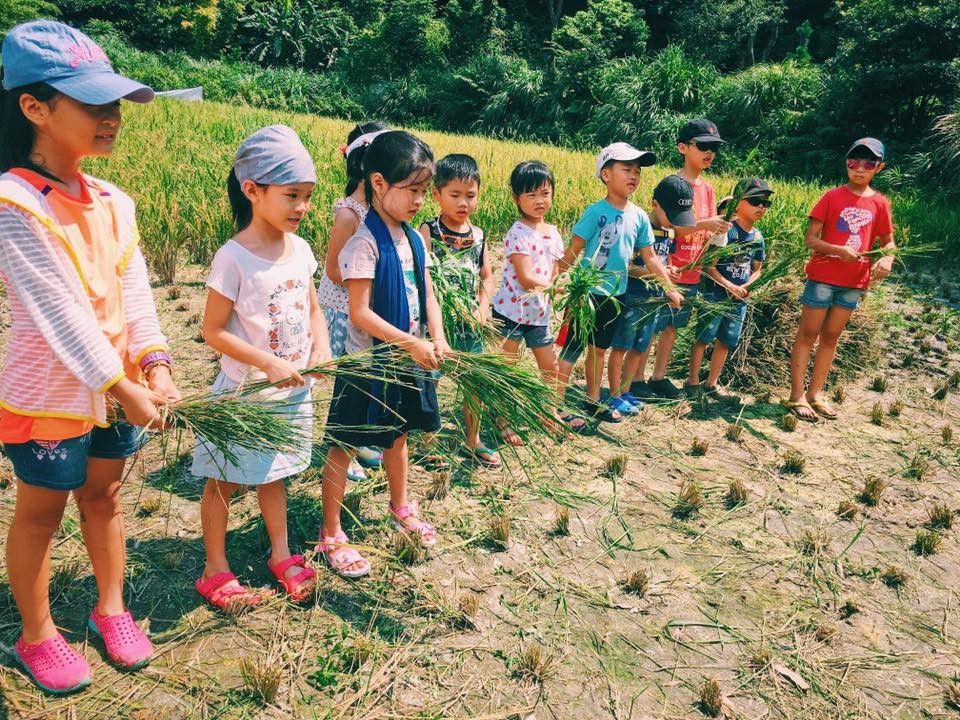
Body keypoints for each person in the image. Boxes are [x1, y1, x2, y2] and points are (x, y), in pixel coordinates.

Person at [0, 20, 181, 693]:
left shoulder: (114, 202)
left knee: (104, 497)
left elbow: (135, 296)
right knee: (42, 513)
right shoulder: (15, 201)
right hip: (51, 392)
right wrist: (123, 387)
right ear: (34, 107)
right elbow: (59, 316)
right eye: (92, 103)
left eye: (115, 103)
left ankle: (112, 609)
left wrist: (156, 365)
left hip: (121, 387)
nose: (111, 117)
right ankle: (36, 633)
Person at [192, 125, 330, 608]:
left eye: (308, 196)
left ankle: (281, 553)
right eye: (292, 195)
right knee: (224, 480)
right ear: (253, 190)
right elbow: (213, 330)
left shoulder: (302, 250)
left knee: (275, 473)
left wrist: (321, 347)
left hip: (289, 393)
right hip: (244, 396)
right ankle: (215, 568)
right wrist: (267, 361)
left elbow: (314, 310)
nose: (302, 206)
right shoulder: (234, 258)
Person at [318, 130, 449, 578]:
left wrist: (437, 336)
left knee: (398, 436)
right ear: (378, 183)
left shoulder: (414, 239)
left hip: (404, 364)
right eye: (411, 189)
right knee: (344, 444)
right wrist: (412, 342)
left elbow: (428, 294)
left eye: (424, 191)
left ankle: (400, 505)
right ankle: (331, 531)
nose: (419, 200)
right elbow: (359, 312)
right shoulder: (364, 242)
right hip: (367, 366)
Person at [556, 143, 677, 421]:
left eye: (638, 171)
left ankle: (593, 400)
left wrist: (669, 288)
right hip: (585, 294)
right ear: (606, 174)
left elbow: (650, 258)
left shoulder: (639, 217)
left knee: (599, 350)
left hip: (615, 296)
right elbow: (572, 252)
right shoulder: (595, 212)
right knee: (572, 349)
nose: (634, 175)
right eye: (627, 169)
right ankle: (557, 404)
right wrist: (551, 282)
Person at [785, 138, 895, 421]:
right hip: (823, 277)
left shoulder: (880, 203)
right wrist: (838, 250)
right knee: (807, 334)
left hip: (854, 282)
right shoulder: (831, 197)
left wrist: (886, 259)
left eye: (868, 163)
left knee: (831, 337)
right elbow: (810, 239)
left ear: (879, 167)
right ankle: (796, 396)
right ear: (847, 163)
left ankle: (815, 394)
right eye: (854, 162)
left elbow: (889, 242)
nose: (860, 168)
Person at [491, 160, 586, 440]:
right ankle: (501, 417)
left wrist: (566, 286)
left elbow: (555, 270)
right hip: (511, 313)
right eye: (531, 195)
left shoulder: (553, 233)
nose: (539, 200)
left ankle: (549, 413)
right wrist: (555, 289)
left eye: (545, 193)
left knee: (550, 368)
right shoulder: (517, 233)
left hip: (539, 314)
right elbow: (526, 278)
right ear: (516, 198)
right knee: (506, 369)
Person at [317, 122, 389, 482]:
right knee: (349, 383)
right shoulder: (350, 213)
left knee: (364, 380)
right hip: (344, 311)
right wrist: (370, 281)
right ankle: (339, 446)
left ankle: (356, 443)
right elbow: (333, 269)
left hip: (365, 308)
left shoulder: (379, 212)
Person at [419, 154, 500, 467]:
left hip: (470, 325)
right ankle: (428, 442)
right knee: (430, 381)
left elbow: (487, 276)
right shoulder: (429, 231)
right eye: (454, 195)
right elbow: (423, 278)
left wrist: (483, 307)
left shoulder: (478, 235)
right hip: (437, 325)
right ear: (437, 194)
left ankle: (472, 439)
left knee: (473, 384)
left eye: (470, 195)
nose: (463, 202)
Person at [647, 119, 731, 400]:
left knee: (673, 326)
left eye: (714, 148)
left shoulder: (708, 189)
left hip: (693, 271)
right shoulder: (674, 185)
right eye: (703, 146)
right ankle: (635, 378)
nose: (709, 153)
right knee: (653, 324)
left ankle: (659, 376)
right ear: (683, 148)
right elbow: (667, 225)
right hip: (669, 267)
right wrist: (705, 224)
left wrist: (717, 233)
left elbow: (707, 229)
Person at [686, 177, 771, 398]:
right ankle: (692, 381)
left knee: (726, 340)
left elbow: (757, 268)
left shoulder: (758, 237)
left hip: (739, 299)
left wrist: (748, 285)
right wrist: (729, 285)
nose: (761, 207)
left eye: (765, 203)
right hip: (715, 294)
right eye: (755, 201)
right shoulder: (726, 232)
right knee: (704, 337)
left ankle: (712, 383)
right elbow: (709, 266)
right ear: (738, 203)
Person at [611, 176, 692, 402]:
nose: (674, 222)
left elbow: (665, 259)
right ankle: (615, 393)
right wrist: (657, 274)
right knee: (623, 345)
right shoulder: (639, 227)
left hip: (655, 298)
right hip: (634, 296)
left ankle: (627, 390)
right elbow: (627, 266)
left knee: (641, 346)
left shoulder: (670, 231)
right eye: (672, 216)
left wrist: (670, 270)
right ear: (654, 204)